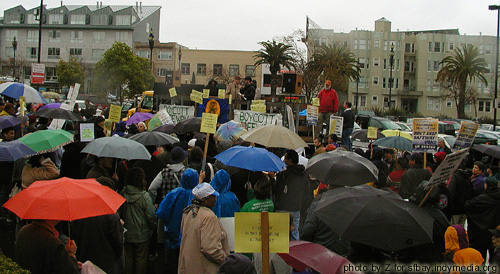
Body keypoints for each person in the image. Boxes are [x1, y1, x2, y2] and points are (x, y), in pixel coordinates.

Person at [156, 168, 201, 274]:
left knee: (172, 265)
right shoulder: (198, 196)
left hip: (172, 235)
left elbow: (161, 212)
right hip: (191, 238)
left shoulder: (174, 193)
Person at [178, 183, 229, 274]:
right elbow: (211, 249)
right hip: (203, 268)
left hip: (188, 266)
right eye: (212, 196)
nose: (215, 198)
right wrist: (225, 259)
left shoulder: (188, 212)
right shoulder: (209, 216)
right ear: (205, 200)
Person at [120, 167, 157, 274]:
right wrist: (152, 227)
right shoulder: (144, 196)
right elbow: (151, 216)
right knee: (141, 260)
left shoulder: (123, 193)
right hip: (142, 234)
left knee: (128, 260)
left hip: (127, 233)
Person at [301, 183, 351, 256]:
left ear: (328, 187)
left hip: (319, 251)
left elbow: (307, 231)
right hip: (340, 254)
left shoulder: (317, 206)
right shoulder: (350, 208)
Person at [15, 220, 80, 274]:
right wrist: (71, 254)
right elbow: (69, 271)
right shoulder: (52, 242)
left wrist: (66, 259)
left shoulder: (23, 231)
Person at [273, 149, 308, 241]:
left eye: (285, 158)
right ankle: (295, 252)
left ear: (290, 160)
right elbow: (306, 191)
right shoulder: (303, 174)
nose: (284, 160)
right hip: (296, 208)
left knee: (280, 234)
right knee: (294, 232)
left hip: (283, 207)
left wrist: (272, 179)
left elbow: (276, 190)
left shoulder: (284, 174)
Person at [465, 176, 500, 262]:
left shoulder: (480, 200)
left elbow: (467, 205)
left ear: (487, 185)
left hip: (480, 236)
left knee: (480, 260)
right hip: (495, 234)